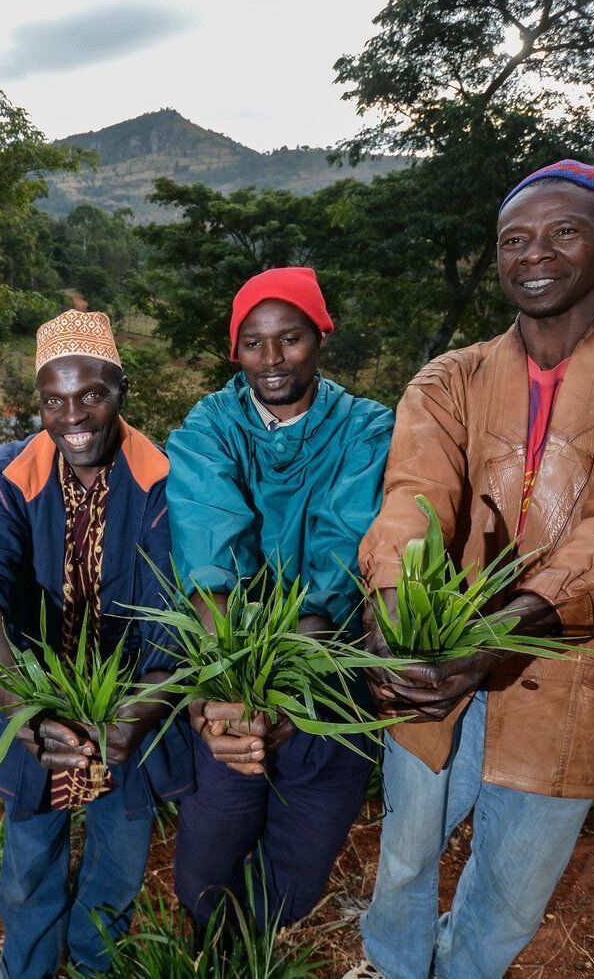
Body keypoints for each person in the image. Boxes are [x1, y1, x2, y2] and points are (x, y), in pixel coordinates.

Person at [346, 161, 594, 979]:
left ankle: (464, 968)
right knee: (405, 854)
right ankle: (395, 964)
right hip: (434, 665)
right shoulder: (449, 378)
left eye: (564, 231)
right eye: (515, 239)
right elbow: (414, 498)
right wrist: (391, 609)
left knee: (512, 887)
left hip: (575, 673)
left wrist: (505, 630)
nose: (536, 254)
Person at [0, 310, 193, 979]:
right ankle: (24, 969)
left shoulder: (165, 479)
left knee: (115, 867)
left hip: (131, 705)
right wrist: (17, 699)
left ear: (120, 390)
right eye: (54, 399)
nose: (73, 415)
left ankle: (91, 964)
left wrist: (137, 710)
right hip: (35, 704)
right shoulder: (3, 477)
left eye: (92, 395)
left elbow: (174, 609)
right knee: (28, 869)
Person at [166, 267, 395, 928]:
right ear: (234, 350)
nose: (271, 360)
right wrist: (231, 691)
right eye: (253, 343)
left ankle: (261, 944)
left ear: (320, 336)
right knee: (212, 848)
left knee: (297, 866)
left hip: (328, 672)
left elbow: (340, 548)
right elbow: (210, 550)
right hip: (232, 670)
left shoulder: (364, 428)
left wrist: (286, 690)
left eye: (289, 338)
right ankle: (209, 947)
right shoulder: (211, 424)